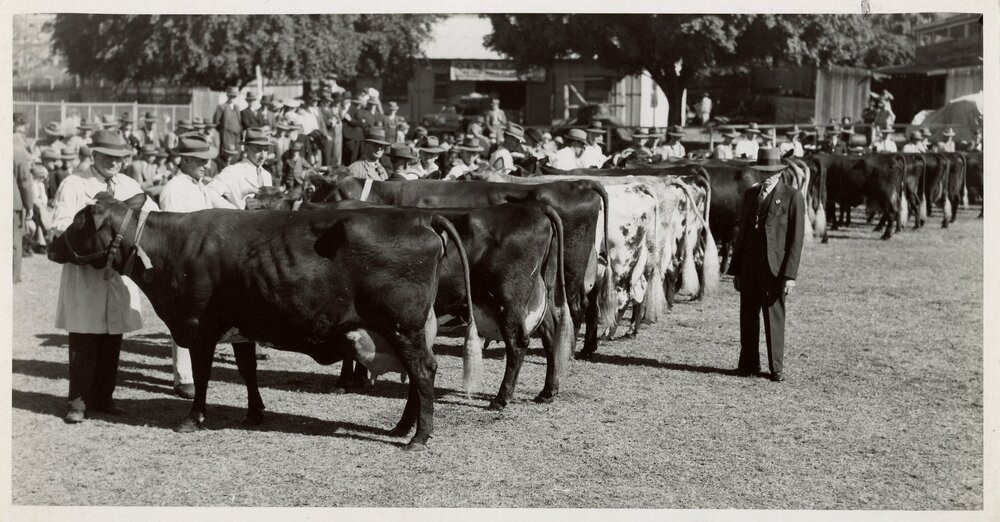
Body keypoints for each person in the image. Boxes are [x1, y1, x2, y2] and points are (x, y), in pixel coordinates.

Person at [50, 129, 160, 423]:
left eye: (120, 157)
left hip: (119, 272)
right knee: (84, 340)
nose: (114, 162)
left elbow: (152, 216)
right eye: (108, 156)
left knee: (113, 337)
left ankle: (104, 397)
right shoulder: (75, 184)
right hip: (86, 272)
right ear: (94, 154)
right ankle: (78, 402)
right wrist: (94, 228)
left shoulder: (128, 184)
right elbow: (60, 224)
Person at [157, 133, 237, 399]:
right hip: (183, 264)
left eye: (208, 160)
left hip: (205, 265)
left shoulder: (201, 186)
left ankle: (195, 373)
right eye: (201, 160)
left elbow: (226, 212)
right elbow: (173, 232)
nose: (206, 165)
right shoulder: (174, 189)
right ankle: (184, 378)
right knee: (184, 320)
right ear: (186, 159)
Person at [728, 147, 805, 383]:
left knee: (774, 319)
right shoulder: (751, 195)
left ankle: (776, 368)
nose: (766, 176)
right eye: (762, 171)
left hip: (774, 270)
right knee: (748, 318)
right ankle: (748, 364)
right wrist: (737, 269)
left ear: (780, 172)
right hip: (750, 268)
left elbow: (795, 241)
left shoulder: (792, 197)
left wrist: (789, 275)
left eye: (771, 172)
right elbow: (741, 235)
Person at [208, 127, 273, 210]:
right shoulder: (233, 171)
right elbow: (210, 192)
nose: (263, 156)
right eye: (258, 150)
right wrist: (236, 212)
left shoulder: (267, 175)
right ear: (246, 149)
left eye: (266, 150)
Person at [13, 134, 34, 282]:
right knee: (13, 242)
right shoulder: (18, 154)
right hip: (12, 204)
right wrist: (29, 206)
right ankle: (13, 276)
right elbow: (25, 182)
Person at [213, 87, 243, 163]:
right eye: (231, 96)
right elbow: (216, 122)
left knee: (236, 158)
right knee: (226, 158)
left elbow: (239, 122)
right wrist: (223, 132)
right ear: (227, 96)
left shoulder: (237, 107)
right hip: (226, 137)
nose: (232, 98)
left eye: (234, 96)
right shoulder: (221, 107)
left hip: (236, 138)